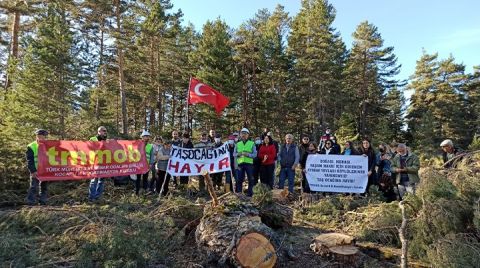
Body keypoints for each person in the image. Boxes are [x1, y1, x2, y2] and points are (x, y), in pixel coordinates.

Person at [26, 129, 49, 205]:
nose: (41, 138)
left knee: (44, 187)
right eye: (39, 137)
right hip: (35, 170)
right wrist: (33, 171)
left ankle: (43, 202)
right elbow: (30, 160)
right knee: (34, 187)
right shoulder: (31, 146)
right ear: (36, 136)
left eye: (43, 137)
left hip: (45, 170)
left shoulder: (48, 145)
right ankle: (30, 202)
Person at [234, 128, 257, 196]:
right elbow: (234, 154)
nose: (243, 135)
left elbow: (255, 154)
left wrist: (248, 155)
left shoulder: (252, 143)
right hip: (240, 164)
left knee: (251, 179)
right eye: (242, 133)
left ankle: (250, 193)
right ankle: (239, 193)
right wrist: (239, 154)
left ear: (248, 135)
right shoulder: (237, 144)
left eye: (245, 133)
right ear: (240, 135)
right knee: (239, 179)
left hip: (249, 164)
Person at [88, 126, 108, 201]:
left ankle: (98, 197)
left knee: (101, 181)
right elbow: (88, 148)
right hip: (95, 163)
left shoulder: (107, 140)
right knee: (94, 180)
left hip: (104, 163)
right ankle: (91, 197)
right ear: (99, 132)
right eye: (103, 131)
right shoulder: (93, 139)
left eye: (105, 131)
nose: (105, 132)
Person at [135, 130, 154, 195]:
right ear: (142, 137)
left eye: (148, 136)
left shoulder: (151, 146)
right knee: (138, 178)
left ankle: (145, 191)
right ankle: (137, 192)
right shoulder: (138, 144)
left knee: (145, 178)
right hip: (139, 165)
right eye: (145, 136)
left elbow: (152, 155)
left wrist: (151, 163)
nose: (146, 138)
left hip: (147, 165)